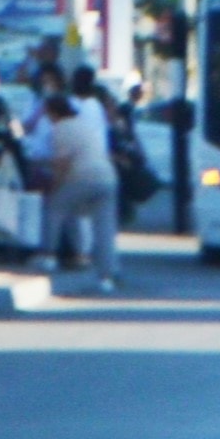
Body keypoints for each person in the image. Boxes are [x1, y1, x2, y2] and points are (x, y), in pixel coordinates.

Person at [37, 67, 125, 292]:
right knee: (104, 228)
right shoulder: (83, 124)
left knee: (55, 209)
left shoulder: (60, 129)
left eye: (47, 113)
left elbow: (62, 166)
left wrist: (54, 187)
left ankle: (48, 255)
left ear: (54, 113)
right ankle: (107, 275)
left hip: (83, 178)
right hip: (108, 178)